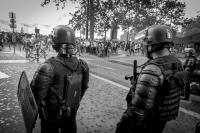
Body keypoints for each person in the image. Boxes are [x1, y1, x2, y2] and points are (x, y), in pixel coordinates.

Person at [115, 25, 189, 133]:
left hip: (146, 123)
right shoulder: (177, 62)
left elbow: (137, 112)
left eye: (145, 43)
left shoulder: (153, 69)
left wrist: (122, 128)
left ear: (151, 45)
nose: (144, 46)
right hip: (161, 120)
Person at [31, 25, 89, 133]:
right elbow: (83, 88)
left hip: (51, 118)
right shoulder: (83, 65)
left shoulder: (48, 67)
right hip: (71, 113)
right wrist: (71, 105)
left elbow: (36, 97)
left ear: (55, 43)